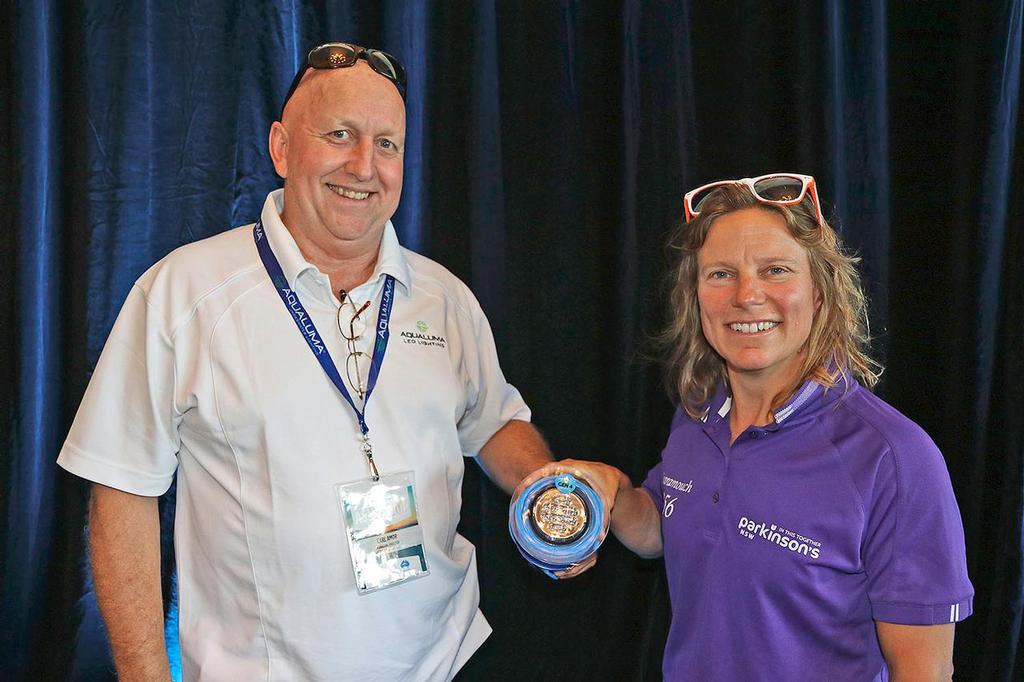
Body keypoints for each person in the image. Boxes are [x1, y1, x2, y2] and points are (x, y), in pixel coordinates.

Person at [57, 42, 560, 681]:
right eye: (340, 134)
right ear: (281, 148)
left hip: (444, 660)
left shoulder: (445, 298)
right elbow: (121, 487)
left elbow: (491, 423)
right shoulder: (185, 294)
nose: (363, 165)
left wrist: (552, 494)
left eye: (387, 144)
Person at [537, 174, 974, 680]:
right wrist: (610, 490)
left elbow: (924, 672)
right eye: (721, 274)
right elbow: (665, 526)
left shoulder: (893, 458)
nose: (747, 296)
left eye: (776, 270)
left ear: (819, 294)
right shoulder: (697, 413)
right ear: (695, 298)